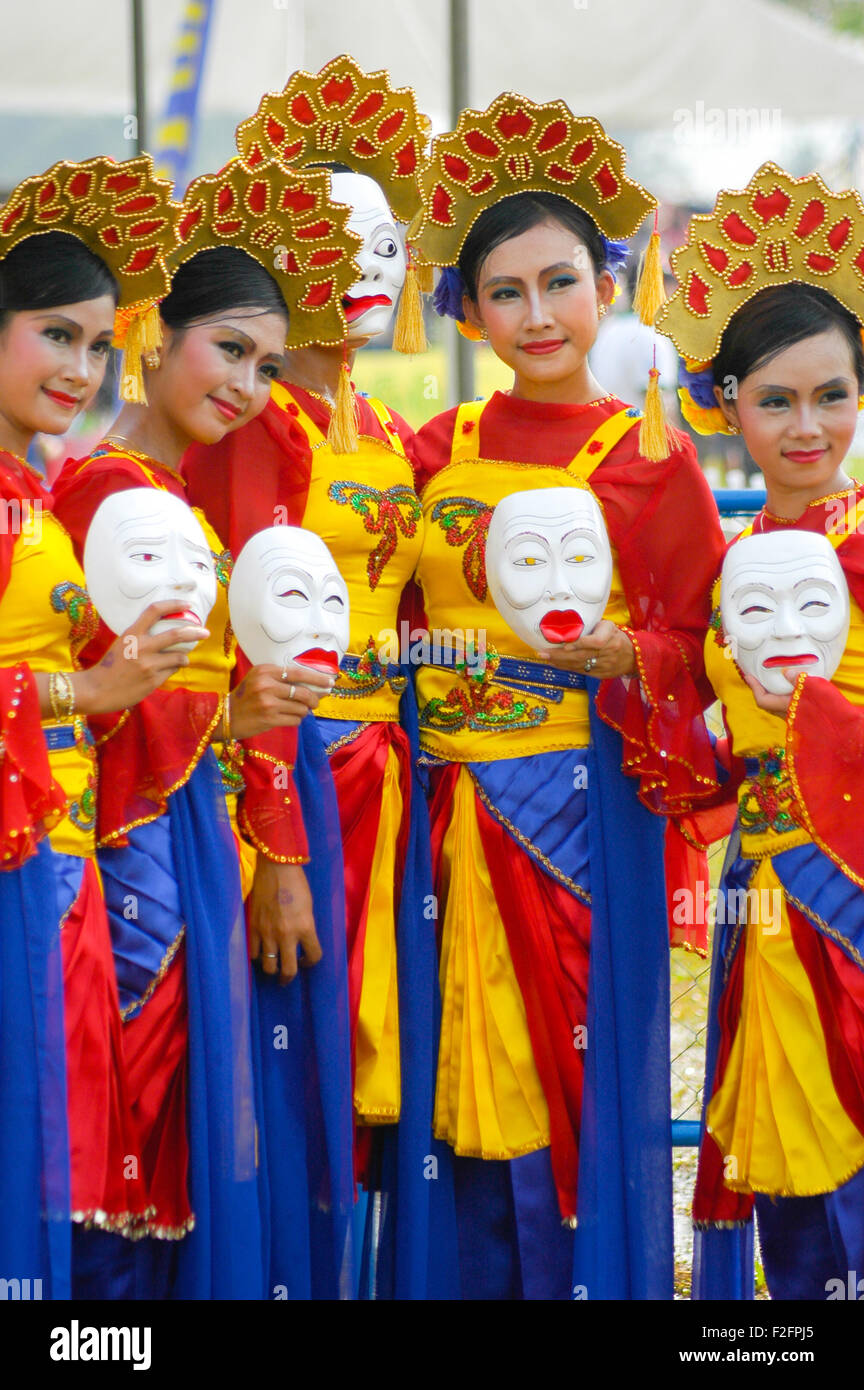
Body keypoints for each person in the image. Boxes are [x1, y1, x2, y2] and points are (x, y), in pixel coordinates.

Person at [409, 93, 726, 1300]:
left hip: (587, 817)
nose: (535, 315)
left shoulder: (652, 459)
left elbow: (704, 649)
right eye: (504, 292)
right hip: (443, 828)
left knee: (582, 1088)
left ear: (609, 285)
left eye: (559, 282)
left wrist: (628, 659)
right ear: (467, 309)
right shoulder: (433, 449)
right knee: (451, 1097)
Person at [51, 157, 360, 1298]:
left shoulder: (170, 493)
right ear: (149, 337)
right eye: (227, 349)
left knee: (178, 1105)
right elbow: (91, 693)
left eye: (266, 363)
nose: (247, 383)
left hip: (187, 833)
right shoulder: (100, 492)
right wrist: (226, 716)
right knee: (137, 1096)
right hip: (129, 845)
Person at [184, 56, 458, 1300]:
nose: (365, 257)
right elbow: (239, 655)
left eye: (385, 233)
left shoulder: (392, 434)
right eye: (331, 231)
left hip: (388, 787)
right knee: (285, 1050)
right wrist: (278, 847)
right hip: (286, 783)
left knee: (374, 1070)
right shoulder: (253, 429)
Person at [0, 155, 211, 1297]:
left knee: (63, 1139)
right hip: (18, 859)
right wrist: (84, 693)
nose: (81, 369)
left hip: (58, 851)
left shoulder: (36, 494)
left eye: (95, 343)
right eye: (53, 335)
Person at [658, 162, 864, 1301]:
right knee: (795, 1183)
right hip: (772, 901)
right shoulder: (726, 570)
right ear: (724, 402)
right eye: (775, 399)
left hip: (853, 893)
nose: (806, 426)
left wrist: (823, 721)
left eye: (831, 395)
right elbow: (695, 759)